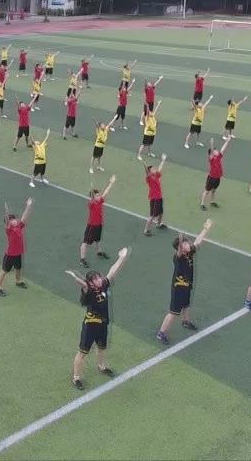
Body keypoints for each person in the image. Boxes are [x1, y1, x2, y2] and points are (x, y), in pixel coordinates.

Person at [67, 247, 130, 390]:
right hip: (90, 325)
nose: (99, 279)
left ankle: (101, 366)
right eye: (95, 279)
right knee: (82, 352)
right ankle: (76, 377)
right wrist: (78, 280)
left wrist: (121, 258)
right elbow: (83, 286)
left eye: (99, 277)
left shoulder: (103, 286)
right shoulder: (88, 292)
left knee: (101, 347)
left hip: (102, 324)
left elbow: (112, 272)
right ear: (90, 283)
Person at [154, 220, 213, 344]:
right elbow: (179, 250)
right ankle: (161, 333)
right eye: (186, 243)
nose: (188, 244)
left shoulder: (189, 252)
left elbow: (198, 242)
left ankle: (186, 321)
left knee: (186, 305)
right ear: (180, 247)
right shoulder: (178, 257)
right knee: (174, 312)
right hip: (178, 289)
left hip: (186, 286)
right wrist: (181, 241)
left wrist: (205, 229)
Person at [0, 198, 33, 296]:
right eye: (12, 220)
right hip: (10, 254)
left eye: (14, 219)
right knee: (4, 271)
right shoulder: (8, 229)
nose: (14, 221)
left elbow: (24, 217)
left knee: (18, 268)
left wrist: (28, 206)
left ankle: (18, 281)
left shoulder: (19, 226)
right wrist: (6, 211)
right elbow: (6, 220)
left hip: (18, 253)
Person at [80, 175, 117, 267]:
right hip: (91, 226)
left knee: (97, 240)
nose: (99, 196)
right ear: (93, 197)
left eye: (99, 195)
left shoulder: (99, 201)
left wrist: (111, 183)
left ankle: (99, 252)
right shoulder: (91, 203)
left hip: (99, 224)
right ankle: (82, 259)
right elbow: (94, 199)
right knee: (85, 243)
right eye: (97, 195)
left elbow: (105, 193)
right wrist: (93, 197)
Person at [199, 136, 233, 211]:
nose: (217, 151)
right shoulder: (211, 159)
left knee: (214, 190)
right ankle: (202, 204)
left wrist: (227, 141)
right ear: (212, 153)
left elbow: (223, 149)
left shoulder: (219, 157)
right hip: (212, 178)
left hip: (218, 178)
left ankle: (212, 202)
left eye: (216, 150)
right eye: (215, 151)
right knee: (207, 191)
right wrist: (211, 144)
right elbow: (211, 152)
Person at [143, 154, 168, 236]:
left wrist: (163, 160)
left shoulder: (156, 175)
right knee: (152, 216)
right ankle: (146, 230)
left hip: (159, 197)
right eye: (153, 169)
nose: (155, 169)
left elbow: (160, 169)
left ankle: (158, 224)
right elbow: (147, 173)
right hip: (154, 198)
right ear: (150, 171)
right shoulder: (149, 178)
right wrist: (146, 168)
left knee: (161, 212)